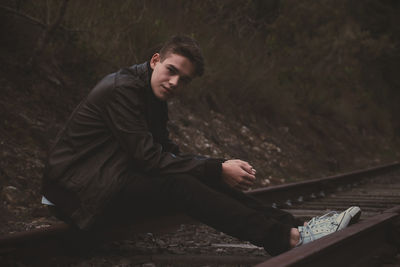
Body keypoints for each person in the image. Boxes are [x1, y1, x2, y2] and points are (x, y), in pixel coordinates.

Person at [41, 35, 361, 256]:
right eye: (171, 71)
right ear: (156, 60)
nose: (175, 83)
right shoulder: (122, 90)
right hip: (78, 192)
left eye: (184, 80)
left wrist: (215, 167)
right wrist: (215, 168)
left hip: (109, 179)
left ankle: (295, 229)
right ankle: (289, 239)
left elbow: (166, 152)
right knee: (180, 185)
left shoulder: (151, 95)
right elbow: (149, 158)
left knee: (193, 177)